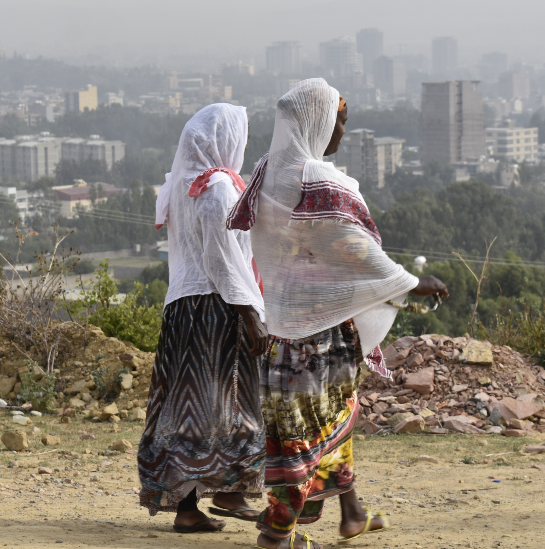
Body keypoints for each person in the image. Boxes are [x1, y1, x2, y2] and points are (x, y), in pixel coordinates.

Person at [228, 79, 448, 549]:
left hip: (282, 329)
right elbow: (352, 249)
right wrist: (410, 282)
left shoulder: (268, 170)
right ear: (315, 122)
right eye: (338, 120)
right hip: (320, 337)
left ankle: (353, 513)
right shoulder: (317, 180)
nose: (342, 131)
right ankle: (275, 534)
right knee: (305, 436)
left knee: (324, 423)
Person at [138, 103, 270, 533]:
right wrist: (249, 310)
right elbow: (223, 256)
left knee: (188, 407)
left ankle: (188, 508)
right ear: (225, 140)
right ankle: (232, 490)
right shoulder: (217, 188)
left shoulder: (177, 186)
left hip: (181, 306)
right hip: (217, 306)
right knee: (235, 400)